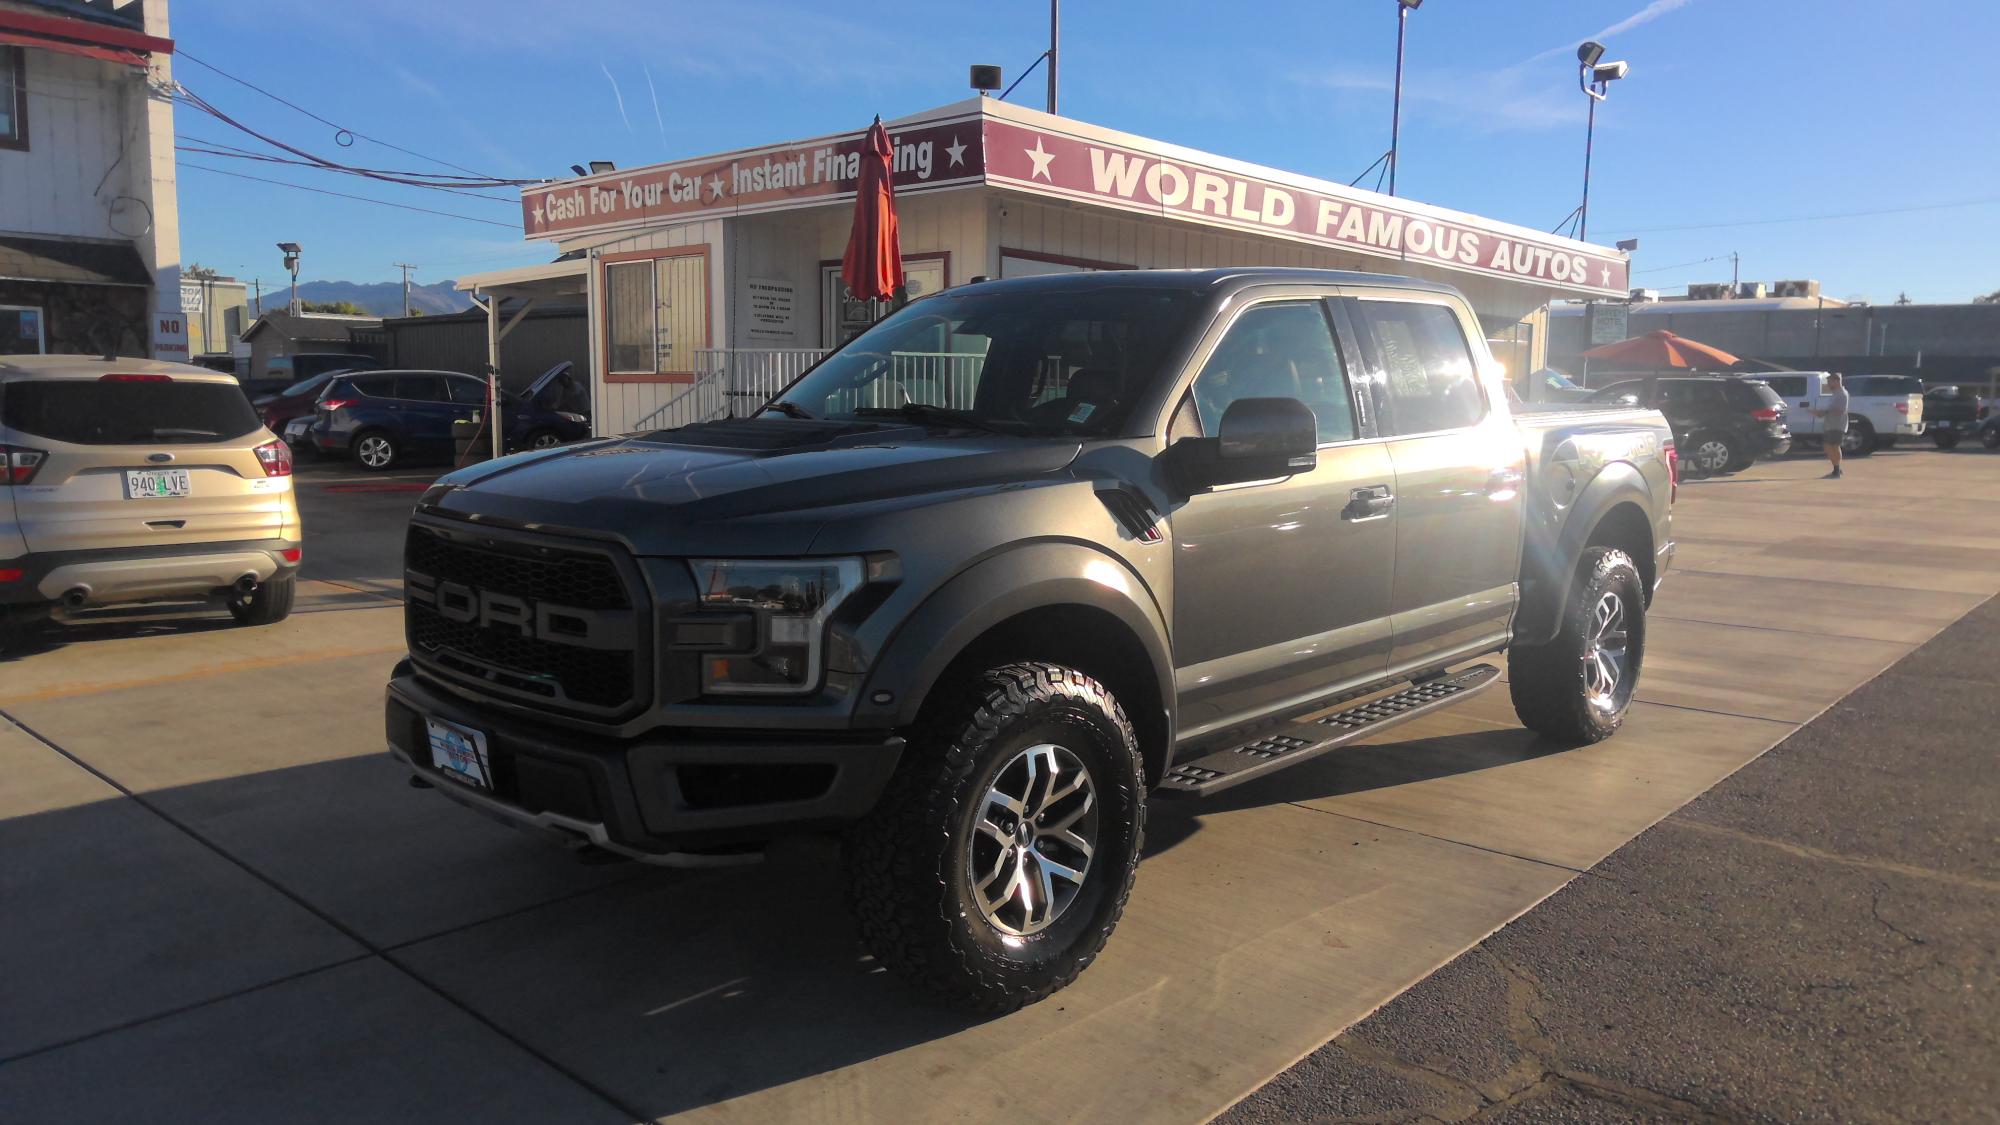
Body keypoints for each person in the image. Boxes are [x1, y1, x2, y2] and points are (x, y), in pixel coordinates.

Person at [1815, 372, 1850, 479]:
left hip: (1837, 425)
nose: (1828, 383)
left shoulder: (1841, 394)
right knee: (1830, 447)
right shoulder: (1836, 393)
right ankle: (1837, 469)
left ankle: (1837, 470)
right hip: (1832, 424)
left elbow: (1839, 410)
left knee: (1833, 446)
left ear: (1836, 381)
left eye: (1830, 381)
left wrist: (1823, 412)